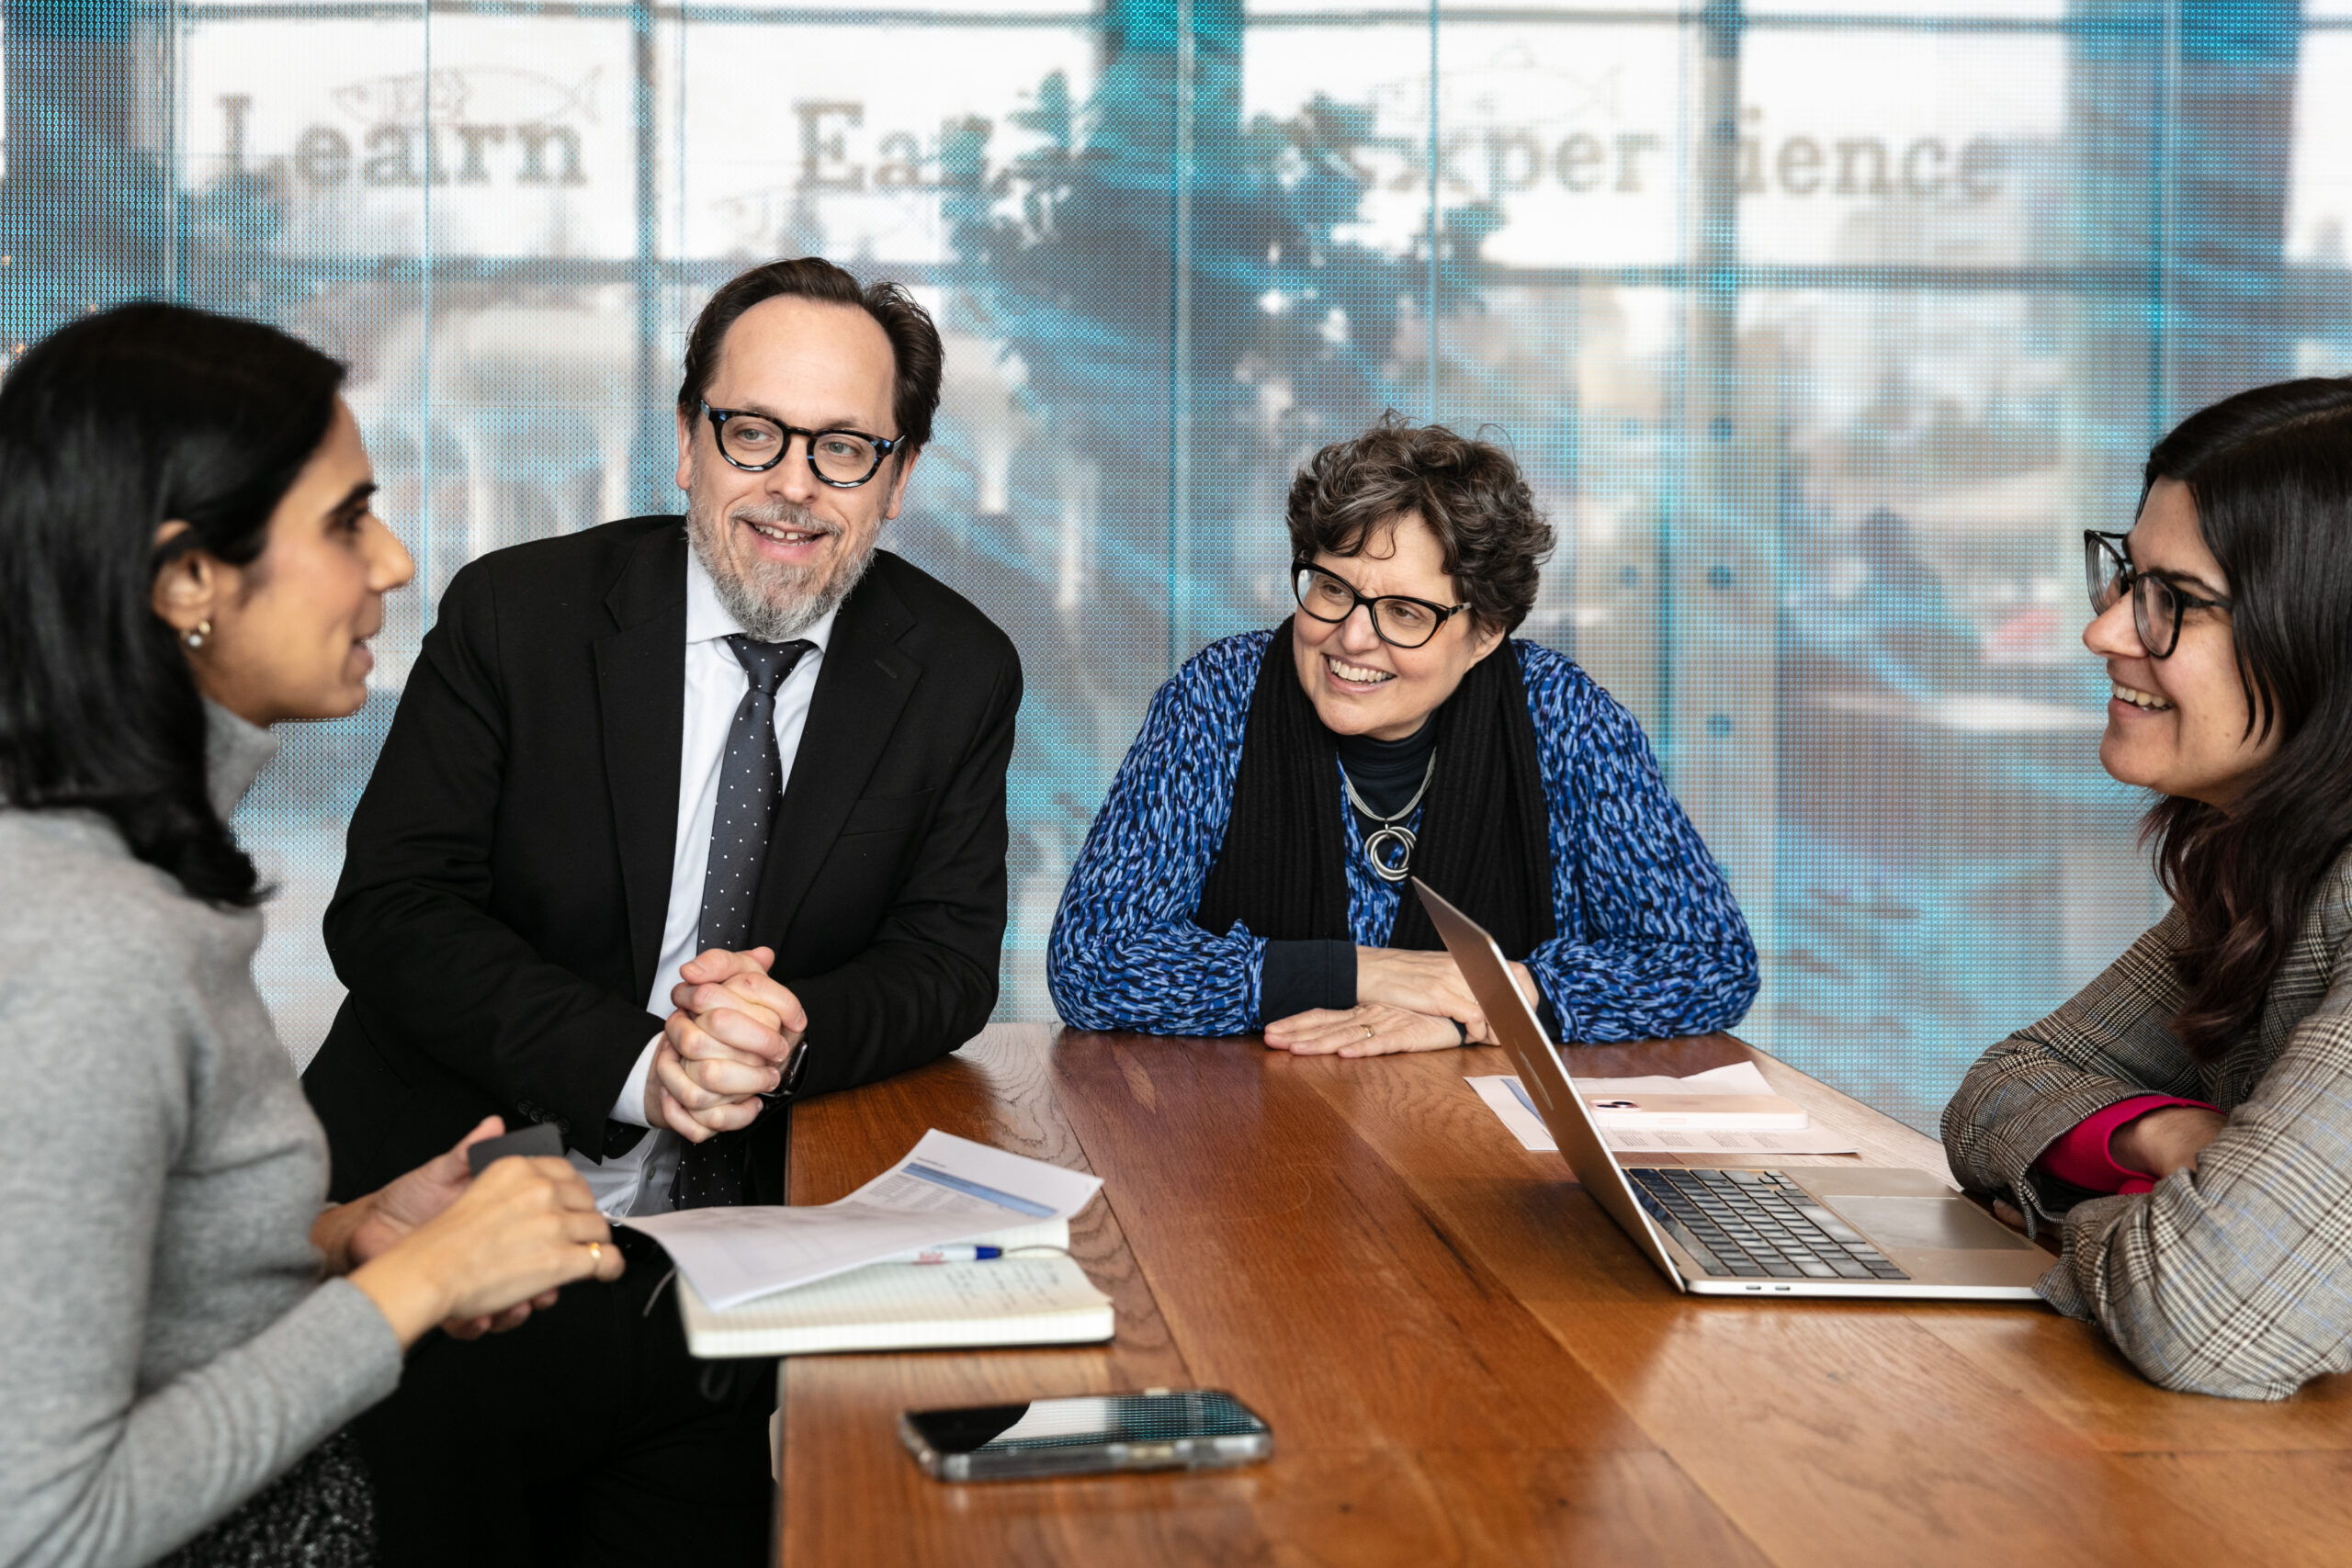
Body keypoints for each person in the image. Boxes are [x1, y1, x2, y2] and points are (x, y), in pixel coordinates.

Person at [299, 256, 1021, 1562]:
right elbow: (397, 907)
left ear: (898, 478)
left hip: (727, 1263)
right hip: (461, 1200)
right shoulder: (519, 613)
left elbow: (951, 954)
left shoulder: (959, 667)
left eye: (846, 447)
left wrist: (788, 1028)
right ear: (688, 441)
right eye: (755, 432)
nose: (794, 482)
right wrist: (642, 1063)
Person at [0, 302, 624, 1568]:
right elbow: (45, 1519)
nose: (392, 562)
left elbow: (126, 1269)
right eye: (346, 520)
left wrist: (350, 1229)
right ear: (188, 581)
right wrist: (420, 1284)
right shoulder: (88, 940)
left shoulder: (126, 877)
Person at [1047, 417, 1758, 1051]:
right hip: (1246, 1140)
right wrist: (1368, 972)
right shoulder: (1216, 699)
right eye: (1332, 589)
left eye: (1406, 613)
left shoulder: (1565, 718)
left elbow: (1710, 958)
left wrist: (1490, 1000)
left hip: (1485, 1150)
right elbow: (1092, 961)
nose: (1352, 637)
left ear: (1484, 634)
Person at [1942, 378, 2352, 1400]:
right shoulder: (2261, 858)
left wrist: (2097, 1216)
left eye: (2179, 601)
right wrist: (2157, 1138)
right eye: (2127, 578)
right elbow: (2000, 1088)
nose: (2107, 632)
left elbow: (2204, 1316)